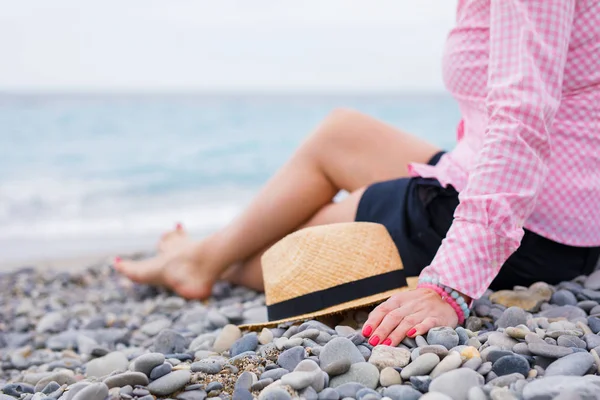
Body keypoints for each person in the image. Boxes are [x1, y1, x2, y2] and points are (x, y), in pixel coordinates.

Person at [116, 0, 600, 347]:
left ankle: (195, 262)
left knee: (288, 252)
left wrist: (450, 285)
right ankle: (198, 260)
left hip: (532, 228)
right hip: (516, 184)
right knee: (340, 133)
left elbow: (521, 120)